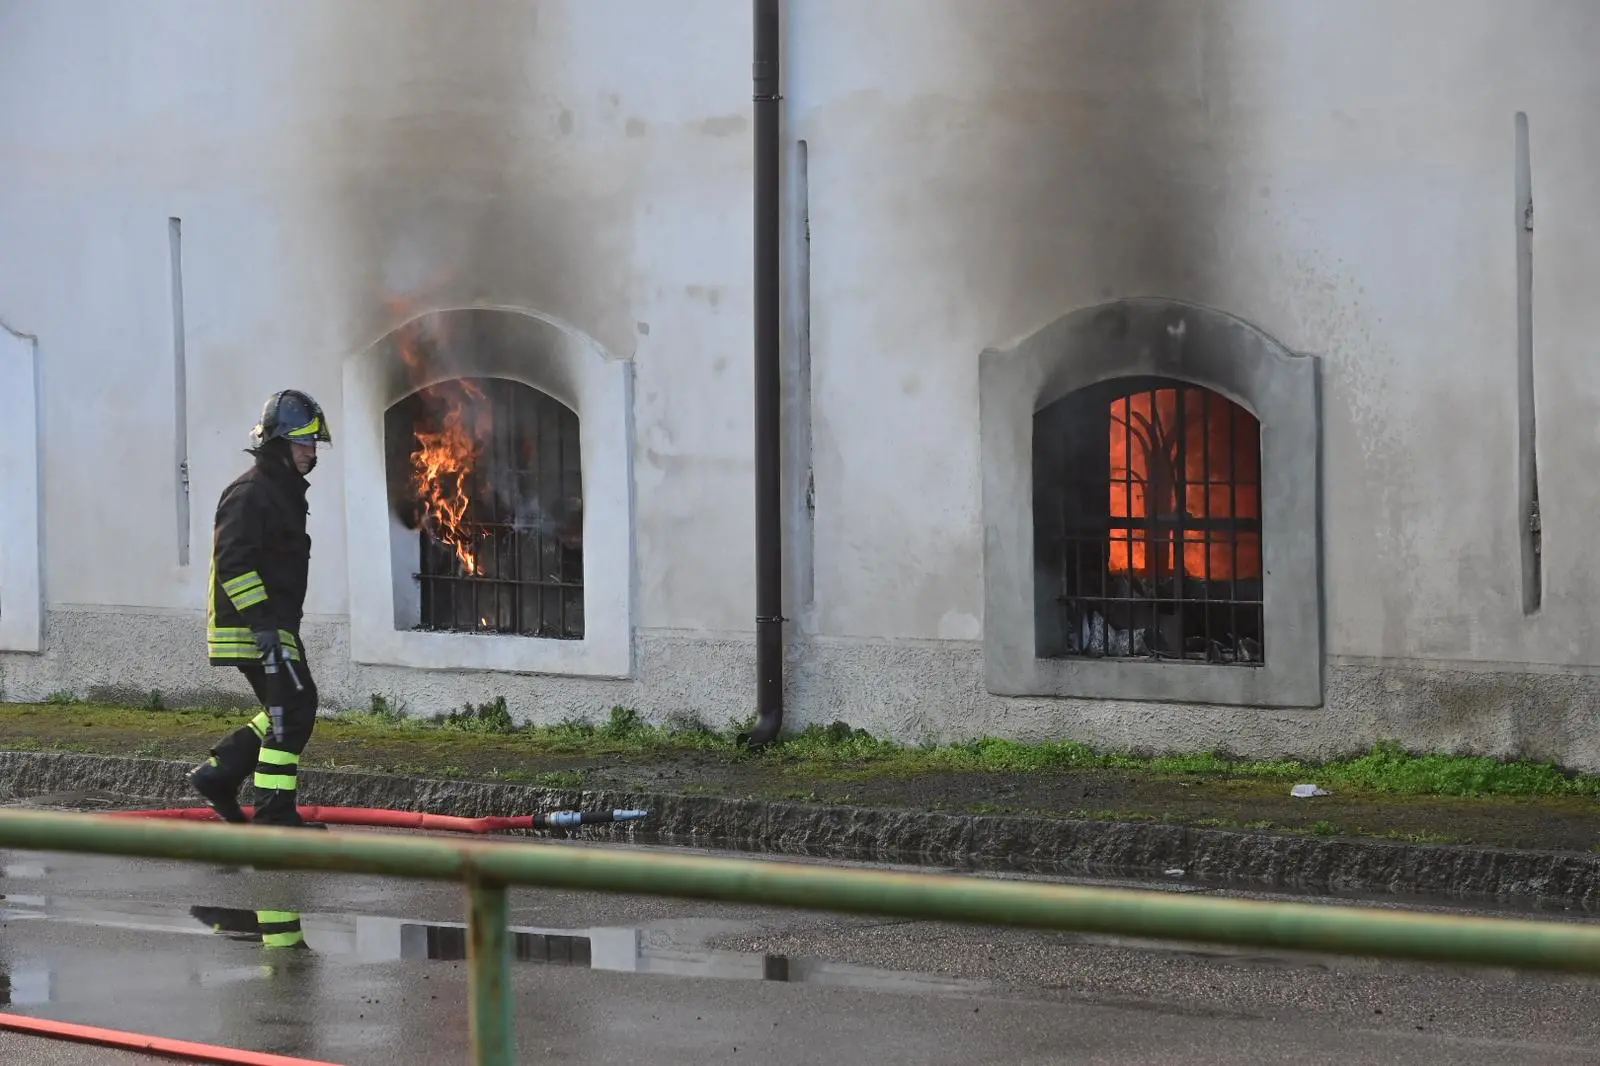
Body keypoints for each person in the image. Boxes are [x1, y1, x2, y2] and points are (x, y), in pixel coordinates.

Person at [187, 389, 330, 828]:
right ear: (280, 442)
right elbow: (233, 564)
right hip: (255, 626)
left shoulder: (280, 490)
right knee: (295, 707)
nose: (311, 450)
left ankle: (219, 775)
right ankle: (274, 815)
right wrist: (265, 629)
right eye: (303, 441)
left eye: (313, 441)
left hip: (273, 623)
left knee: (284, 706)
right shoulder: (252, 492)